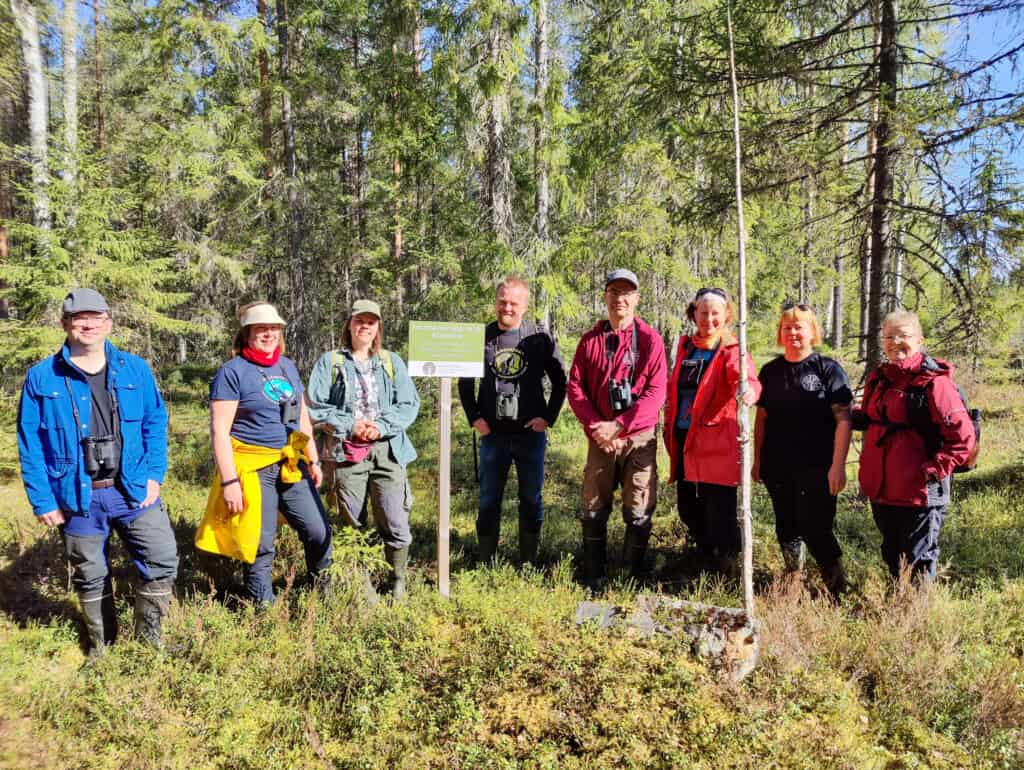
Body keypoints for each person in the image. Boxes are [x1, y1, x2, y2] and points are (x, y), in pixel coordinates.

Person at [17, 289, 179, 656]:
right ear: (65, 324)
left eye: (95, 317)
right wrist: (43, 500)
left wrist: (155, 474)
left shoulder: (135, 368)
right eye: (78, 318)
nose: (87, 324)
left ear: (109, 322)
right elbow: (31, 444)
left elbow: (155, 422)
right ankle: (101, 650)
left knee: (161, 557)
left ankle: (149, 643)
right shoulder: (42, 377)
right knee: (90, 573)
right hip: (77, 494)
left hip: (134, 487)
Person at [207, 302, 332, 604]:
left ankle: (322, 590)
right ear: (247, 333)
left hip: (291, 462)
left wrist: (312, 458)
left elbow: (301, 415)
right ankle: (262, 608)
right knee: (261, 542)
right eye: (261, 328)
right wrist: (229, 481)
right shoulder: (232, 372)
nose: (268, 333)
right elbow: (219, 431)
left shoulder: (286, 366)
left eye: (273, 328)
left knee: (318, 530)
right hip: (252, 467)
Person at [307, 300, 421, 599]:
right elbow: (315, 406)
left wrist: (381, 427)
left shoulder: (391, 361)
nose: (365, 326)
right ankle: (363, 585)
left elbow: (409, 404)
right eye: (360, 320)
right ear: (349, 324)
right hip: (346, 452)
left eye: (371, 321)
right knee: (353, 521)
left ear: (378, 327)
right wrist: (351, 424)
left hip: (388, 450)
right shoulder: (330, 362)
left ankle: (397, 582)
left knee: (395, 518)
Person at [852, 310, 975, 581]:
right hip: (883, 488)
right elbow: (872, 417)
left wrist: (933, 470)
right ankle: (899, 603)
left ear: (919, 341)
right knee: (892, 551)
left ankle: (916, 614)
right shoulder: (879, 378)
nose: (895, 342)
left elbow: (963, 437)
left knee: (919, 557)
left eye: (903, 336)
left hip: (919, 491)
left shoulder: (935, 383)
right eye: (889, 337)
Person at [567, 268, 667, 586]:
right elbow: (576, 388)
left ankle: (631, 575)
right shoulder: (590, 341)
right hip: (600, 435)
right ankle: (595, 572)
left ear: (636, 298)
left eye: (626, 293)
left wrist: (620, 425)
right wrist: (597, 426)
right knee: (593, 504)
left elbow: (656, 392)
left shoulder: (651, 340)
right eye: (614, 292)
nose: (620, 299)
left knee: (638, 504)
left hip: (638, 436)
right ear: (605, 297)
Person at [458, 277, 567, 566]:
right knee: (488, 500)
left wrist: (548, 417)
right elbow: (465, 383)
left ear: (525, 306)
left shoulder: (539, 338)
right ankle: (486, 562)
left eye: (513, 303)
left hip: (529, 435)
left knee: (531, 499)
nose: (507, 308)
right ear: (496, 302)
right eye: (502, 301)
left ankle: (528, 561)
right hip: (493, 435)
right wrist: (475, 418)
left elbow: (560, 381)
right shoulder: (481, 337)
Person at [752, 302, 852, 595]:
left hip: (818, 466)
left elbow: (844, 419)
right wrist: (757, 461)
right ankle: (794, 581)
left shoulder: (828, 369)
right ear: (780, 333)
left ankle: (836, 589)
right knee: (786, 526)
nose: (793, 332)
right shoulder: (770, 371)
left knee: (817, 528)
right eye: (787, 327)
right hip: (777, 465)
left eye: (799, 327)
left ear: (812, 332)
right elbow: (762, 418)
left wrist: (838, 465)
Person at [663, 287, 761, 576]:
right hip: (683, 439)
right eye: (703, 312)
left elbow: (746, 380)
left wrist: (748, 392)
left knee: (718, 509)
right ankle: (703, 556)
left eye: (715, 313)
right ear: (694, 313)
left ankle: (727, 567)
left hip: (716, 442)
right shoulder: (686, 347)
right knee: (688, 507)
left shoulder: (732, 350)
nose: (708, 319)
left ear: (727, 315)